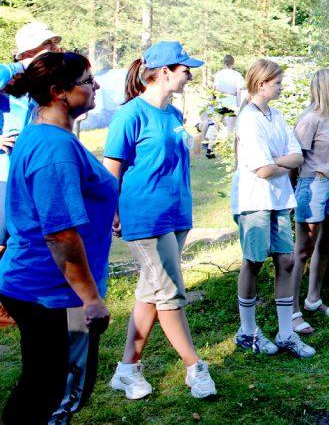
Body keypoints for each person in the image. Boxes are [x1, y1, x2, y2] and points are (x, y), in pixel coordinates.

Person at [0, 52, 116, 423]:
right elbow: (60, 235)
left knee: (43, 384)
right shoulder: (55, 148)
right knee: (52, 392)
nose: (96, 86)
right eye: (87, 80)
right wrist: (90, 299)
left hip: (40, 285)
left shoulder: (39, 134)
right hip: (53, 292)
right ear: (59, 93)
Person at [104, 41, 216, 400]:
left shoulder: (172, 114)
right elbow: (112, 171)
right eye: (185, 69)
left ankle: (126, 369)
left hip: (176, 214)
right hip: (145, 217)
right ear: (165, 72)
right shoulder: (130, 115)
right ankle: (194, 366)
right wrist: (114, 212)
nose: (190, 75)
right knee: (170, 293)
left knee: (150, 291)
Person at [231, 58, 314, 358]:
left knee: (286, 261)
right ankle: (247, 331)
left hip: (280, 199)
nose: (281, 86)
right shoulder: (248, 118)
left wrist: (275, 160)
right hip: (255, 202)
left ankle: (286, 333)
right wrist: (278, 161)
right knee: (253, 262)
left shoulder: (276, 116)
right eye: (277, 82)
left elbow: (297, 157)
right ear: (262, 83)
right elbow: (262, 170)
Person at [0, 22, 63, 327]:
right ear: (28, 51)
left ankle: (13, 299)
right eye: (46, 45)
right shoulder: (5, 71)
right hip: (3, 171)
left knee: (21, 233)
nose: (53, 49)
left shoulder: (43, 82)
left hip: (28, 169)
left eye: (53, 44)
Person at [289, 69, 329, 334]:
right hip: (313, 185)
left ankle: (313, 300)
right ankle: (291, 311)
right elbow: (294, 159)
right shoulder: (309, 120)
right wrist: (292, 193)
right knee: (303, 250)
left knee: (325, 244)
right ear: (325, 87)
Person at [198, 55, 245, 159]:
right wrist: (238, 105)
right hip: (231, 101)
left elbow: (215, 89)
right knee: (231, 128)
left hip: (220, 101)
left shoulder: (219, 74)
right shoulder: (237, 75)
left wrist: (214, 101)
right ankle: (229, 152)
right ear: (233, 63)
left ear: (224, 62)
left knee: (216, 126)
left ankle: (210, 149)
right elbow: (238, 91)